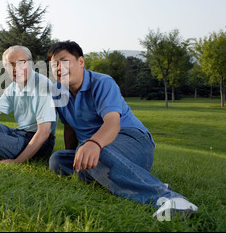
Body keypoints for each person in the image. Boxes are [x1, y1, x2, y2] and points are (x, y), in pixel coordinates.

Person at [47, 40, 198, 221]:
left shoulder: (103, 82)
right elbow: (69, 127)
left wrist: (92, 144)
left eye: (64, 61)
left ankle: (170, 198)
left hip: (133, 141)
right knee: (57, 160)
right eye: (54, 64)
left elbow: (112, 123)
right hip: (98, 150)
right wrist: (76, 156)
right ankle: (132, 177)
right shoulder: (57, 92)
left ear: (81, 62)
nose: (58, 68)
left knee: (90, 151)